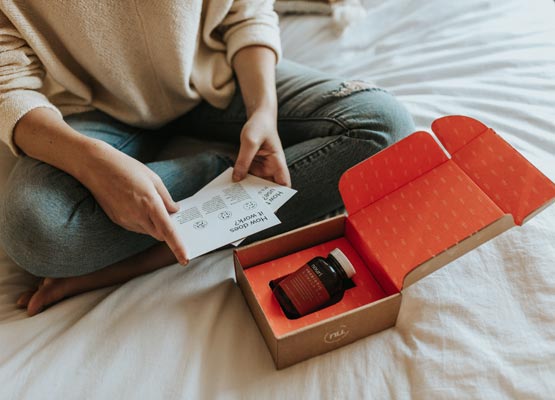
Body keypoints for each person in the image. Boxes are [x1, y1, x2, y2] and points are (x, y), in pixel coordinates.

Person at [0, 1, 414, 316]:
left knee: (384, 127)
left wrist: (263, 112)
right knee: (35, 232)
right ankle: (224, 176)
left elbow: (246, 11)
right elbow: (8, 81)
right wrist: (95, 164)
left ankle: (149, 255)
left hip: (214, 76)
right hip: (85, 113)